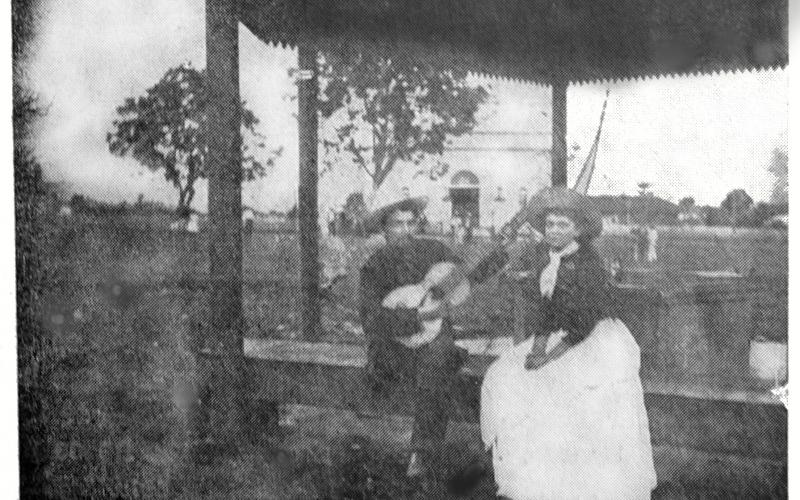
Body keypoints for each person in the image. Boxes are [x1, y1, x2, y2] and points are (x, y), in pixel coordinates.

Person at [480, 187, 656, 500]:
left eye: (563, 225)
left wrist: (547, 357)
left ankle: (578, 480)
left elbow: (583, 322)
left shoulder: (589, 262)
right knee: (503, 375)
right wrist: (537, 347)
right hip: (559, 333)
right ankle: (531, 469)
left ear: (577, 229)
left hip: (593, 338)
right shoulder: (544, 258)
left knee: (565, 387)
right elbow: (544, 310)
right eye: (550, 225)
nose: (555, 231)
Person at [360, 197, 508, 479]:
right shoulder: (374, 266)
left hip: (435, 340)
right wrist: (418, 318)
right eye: (397, 224)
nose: (405, 230)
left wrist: (497, 253)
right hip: (391, 345)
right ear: (384, 229)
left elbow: (467, 276)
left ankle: (422, 451)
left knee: (438, 357)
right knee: (434, 361)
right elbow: (371, 320)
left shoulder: (433, 249)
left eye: (410, 222)